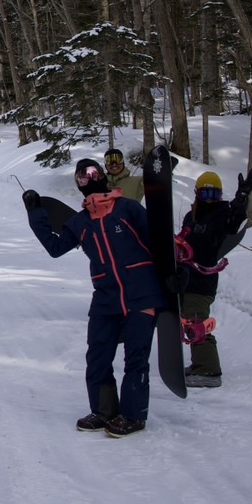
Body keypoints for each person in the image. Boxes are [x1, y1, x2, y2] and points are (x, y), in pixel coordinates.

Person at [23, 157, 165, 438]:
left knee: (135, 357)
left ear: (102, 176)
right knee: (97, 356)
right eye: (81, 178)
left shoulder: (128, 208)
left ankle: (133, 416)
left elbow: (159, 243)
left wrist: (174, 276)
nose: (88, 180)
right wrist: (35, 214)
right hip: (106, 297)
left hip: (141, 293)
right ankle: (104, 412)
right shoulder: (80, 222)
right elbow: (55, 247)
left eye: (92, 173)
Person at [174, 169, 252, 388]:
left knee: (197, 322)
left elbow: (234, 223)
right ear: (197, 193)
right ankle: (199, 364)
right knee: (186, 321)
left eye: (214, 194)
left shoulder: (222, 212)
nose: (210, 199)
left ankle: (210, 371)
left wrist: (242, 199)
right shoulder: (190, 217)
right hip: (184, 277)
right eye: (205, 193)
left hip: (202, 280)